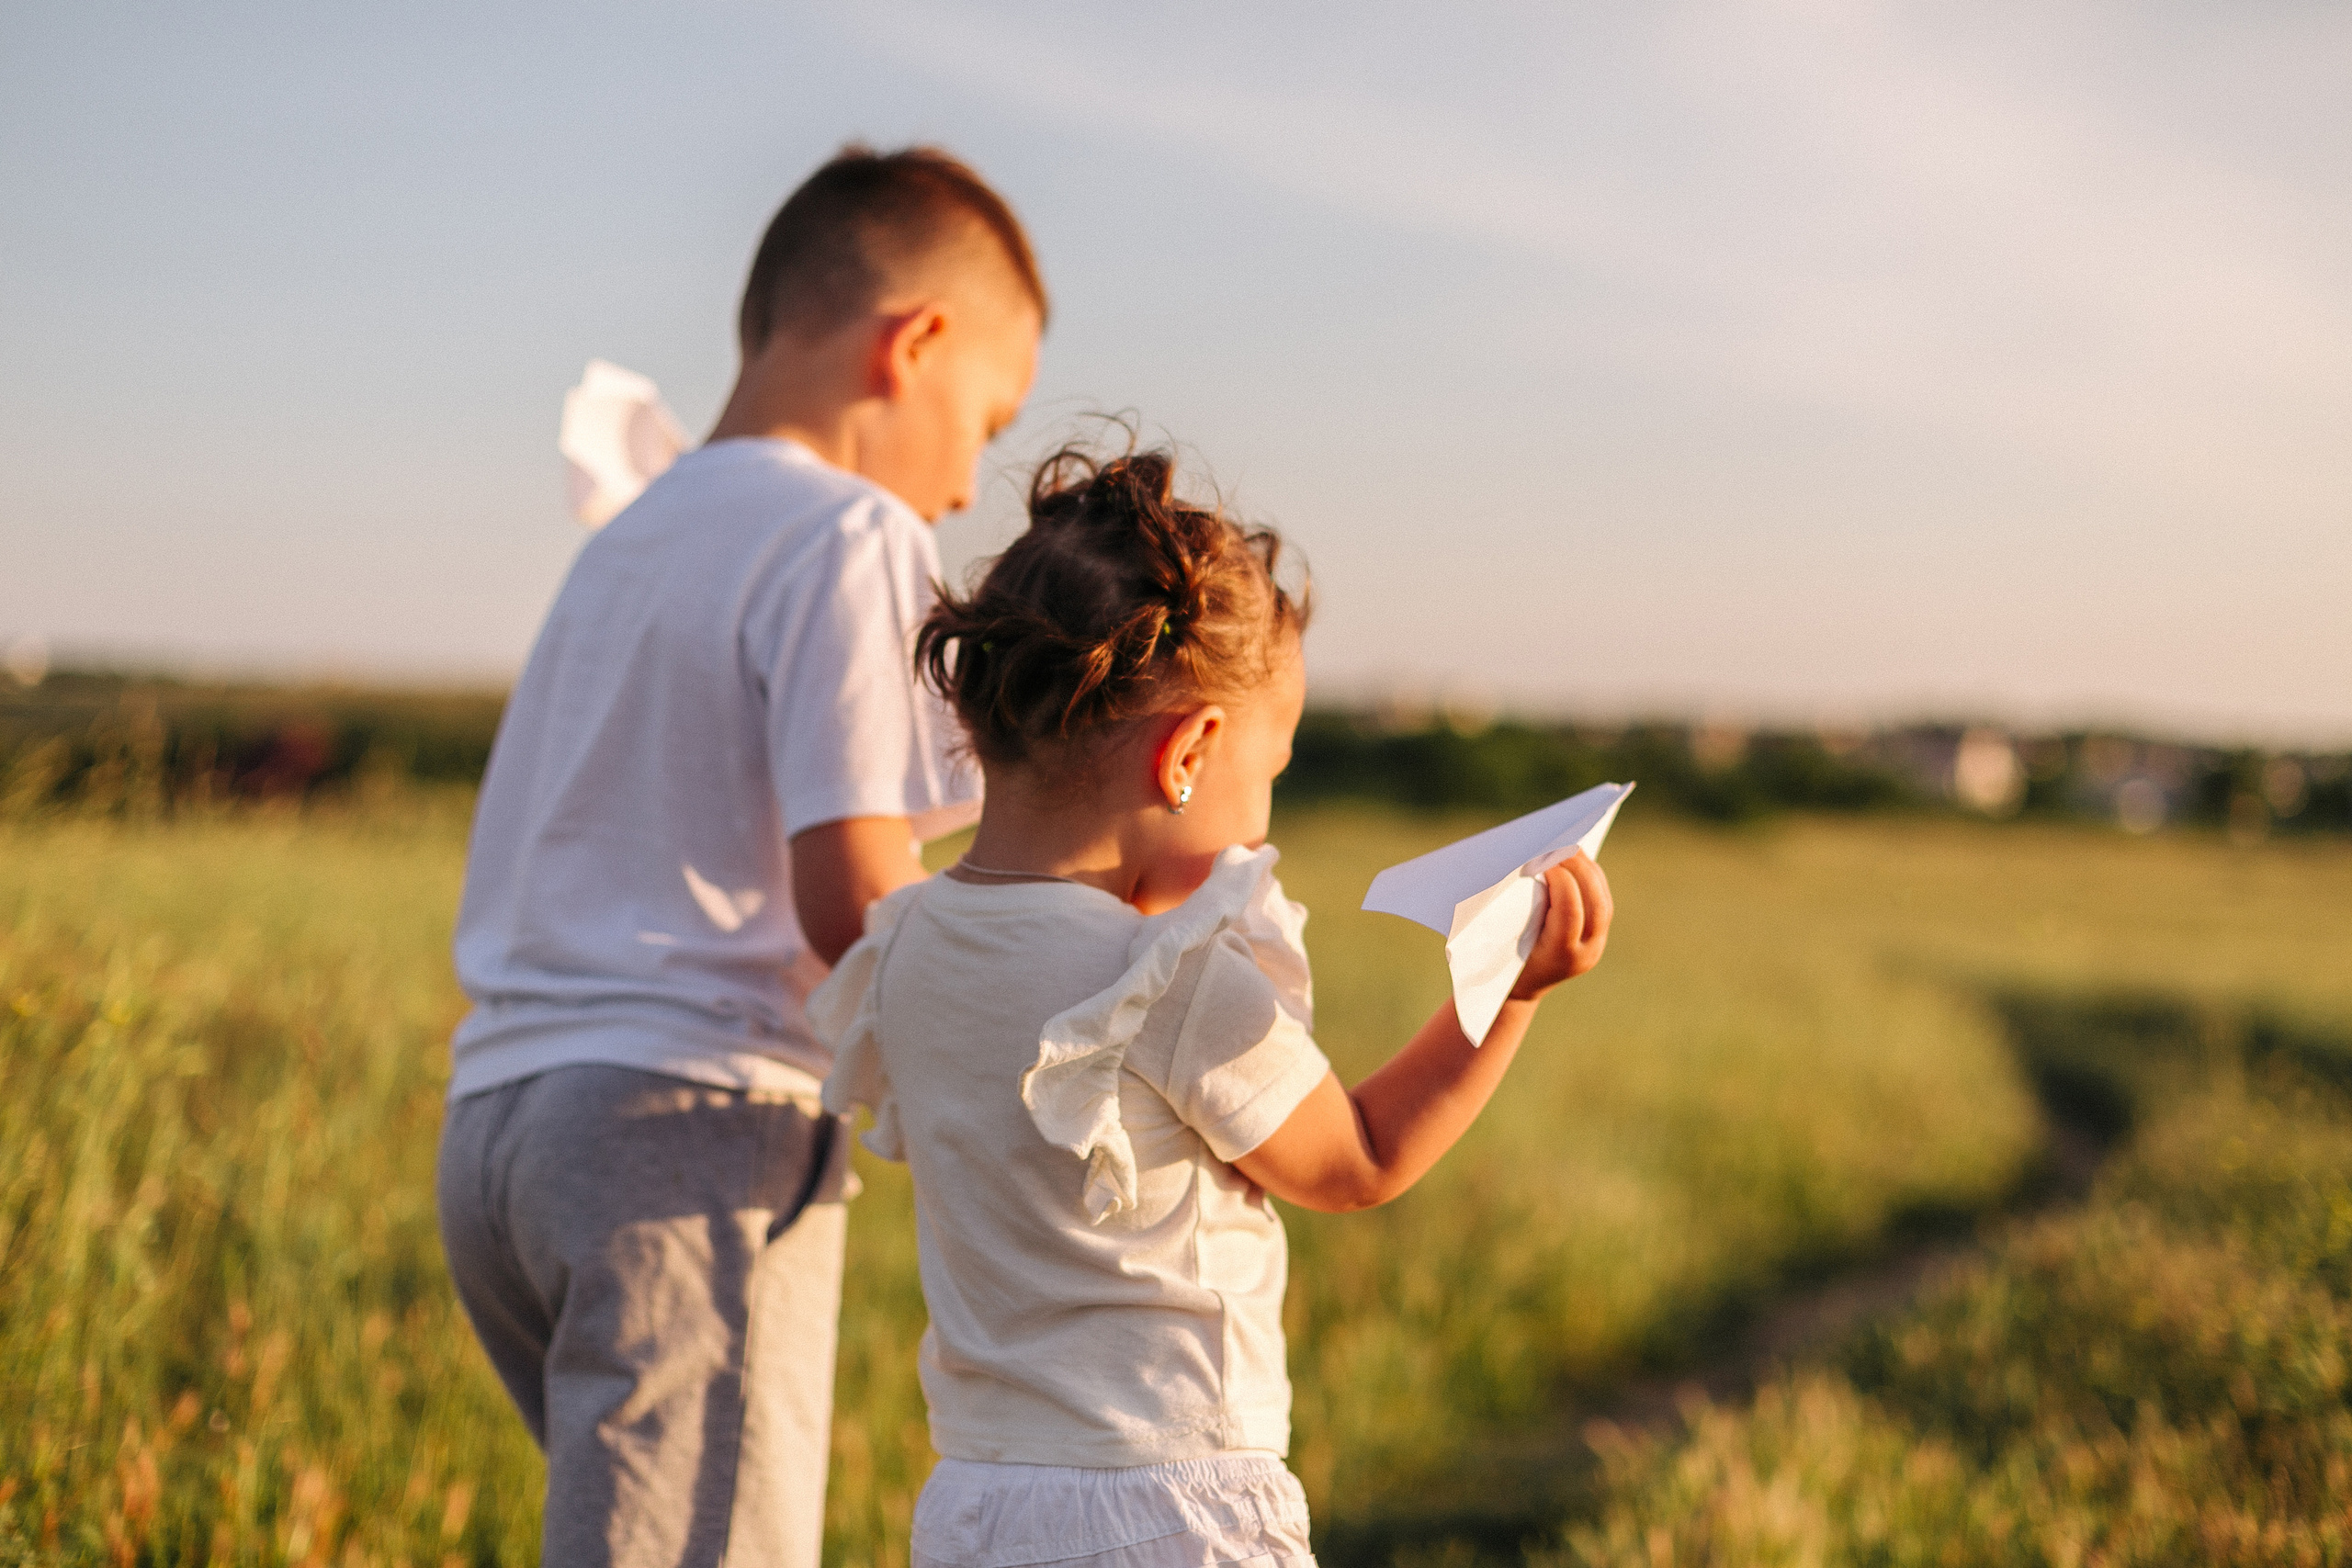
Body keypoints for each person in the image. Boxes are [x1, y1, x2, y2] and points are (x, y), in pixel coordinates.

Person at [810, 446, 1614, 1566]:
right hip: (1171, 1505)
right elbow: (1357, 1160)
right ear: (1188, 752)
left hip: (978, 1503)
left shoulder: (901, 944)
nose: (1263, 812)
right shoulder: (1157, 975)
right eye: (1268, 769)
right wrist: (1512, 995)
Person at [435, 145, 1046, 1568]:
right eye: (987, 423)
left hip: (502, 1128)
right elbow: (856, 894)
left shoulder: (629, 531)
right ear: (913, 345)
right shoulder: (851, 528)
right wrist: (1026, 1056)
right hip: (686, 1135)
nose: (970, 485)